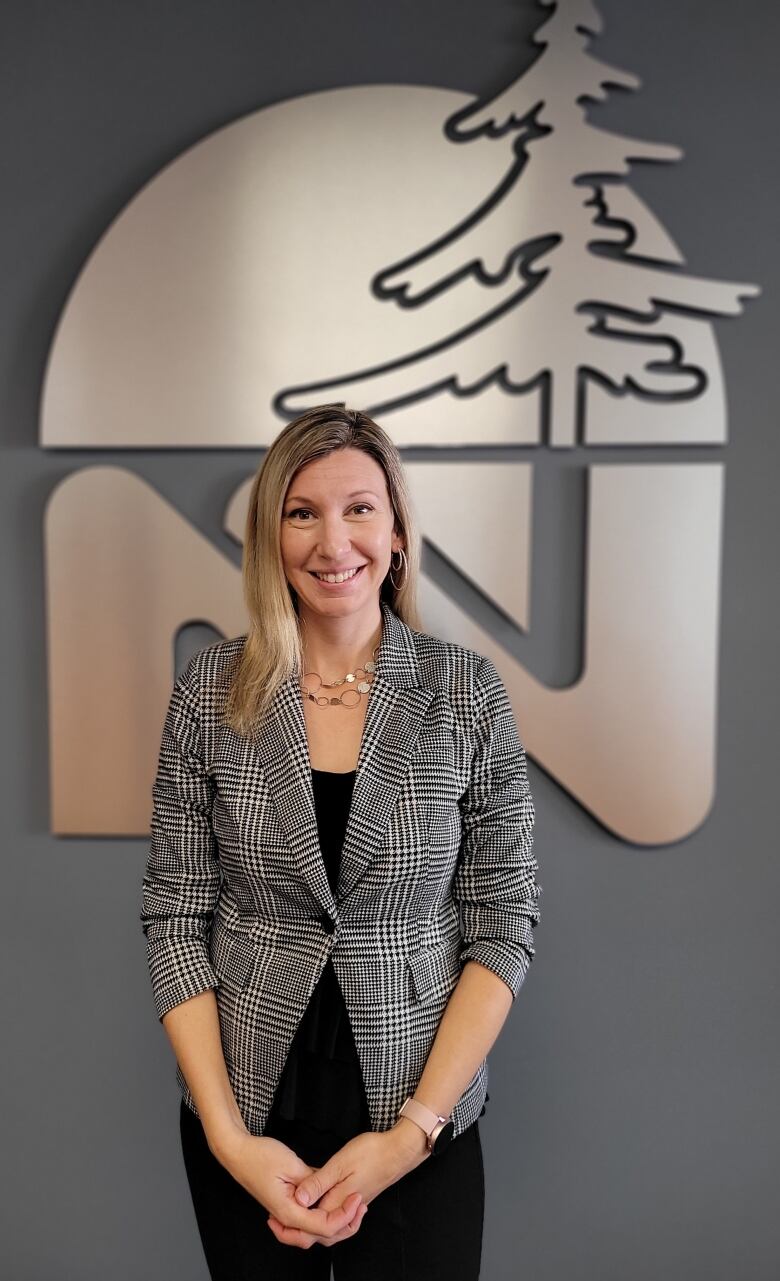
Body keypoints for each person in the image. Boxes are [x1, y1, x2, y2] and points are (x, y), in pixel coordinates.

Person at [140, 403, 541, 1279]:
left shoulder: (465, 693)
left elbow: (503, 924)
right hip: (246, 1116)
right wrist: (229, 1139)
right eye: (301, 511)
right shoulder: (209, 693)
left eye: (360, 508)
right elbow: (175, 922)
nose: (334, 541)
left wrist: (411, 1134)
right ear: (270, 536)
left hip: (417, 1116)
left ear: (397, 530)